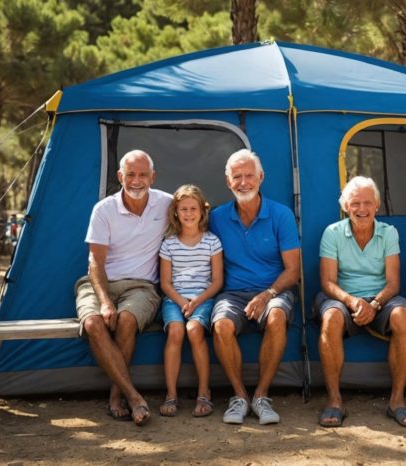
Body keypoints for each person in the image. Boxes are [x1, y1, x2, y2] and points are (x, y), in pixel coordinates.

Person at [76, 150, 172, 426]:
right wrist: (105, 301)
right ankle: (133, 395)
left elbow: (196, 218)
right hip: (100, 281)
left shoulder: (167, 204)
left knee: (127, 320)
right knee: (94, 322)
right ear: (120, 176)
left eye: (143, 174)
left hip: (141, 286)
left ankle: (117, 396)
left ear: (153, 177)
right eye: (130, 174)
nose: (136, 180)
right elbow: (95, 260)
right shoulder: (104, 209)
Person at [315, 176, 406, 429]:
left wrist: (374, 304)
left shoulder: (388, 233)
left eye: (367, 203)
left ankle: (397, 401)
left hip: (379, 298)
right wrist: (353, 302)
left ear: (377, 206)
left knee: (402, 315)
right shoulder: (333, 233)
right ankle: (335, 401)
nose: (362, 209)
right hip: (342, 297)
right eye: (355, 203)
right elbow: (327, 282)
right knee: (331, 317)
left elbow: (394, 283)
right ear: (346, 207)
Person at [210, 149, 300, 425]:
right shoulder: (216, 217)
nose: (243, 182)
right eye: (237, 176)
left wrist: (267, 294)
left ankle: (261, 396)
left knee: (276, 316)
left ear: (261, 178)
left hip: (274, 290)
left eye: (249, 175)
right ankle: (239, 396)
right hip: (233, 293)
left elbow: (293, 271)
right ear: (228, 182)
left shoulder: (281, 215)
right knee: (221, 324)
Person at [158, 185, 224, 419]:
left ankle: (204, 392)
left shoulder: (212, 242)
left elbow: (217, 282)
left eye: (193, 208)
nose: (188, 213)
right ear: (175, 212)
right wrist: (180, 300)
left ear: (202, 211)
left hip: (202, 297)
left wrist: (196, 301)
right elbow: (165, 283)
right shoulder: (169, 244)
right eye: (183, 209)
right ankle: (171, 394)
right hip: (175, 298)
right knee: (176, 331)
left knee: (194, 330)